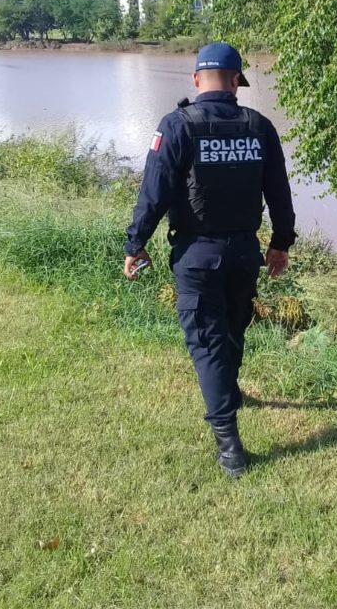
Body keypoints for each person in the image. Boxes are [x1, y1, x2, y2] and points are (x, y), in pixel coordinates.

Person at [123, 42, 296, 478]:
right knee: (232, 332)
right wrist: (281, 244)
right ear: (237, 80)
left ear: (197, 80)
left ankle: (229, 445)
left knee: (209, 343)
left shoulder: (177, 125)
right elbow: (280, 193)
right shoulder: (260, 126)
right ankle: (230, 394)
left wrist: (135, 244)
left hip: (198, 256)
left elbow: (154, 192)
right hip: (243, 255)